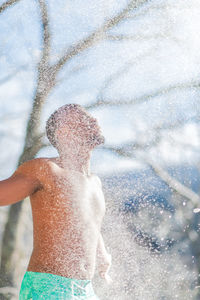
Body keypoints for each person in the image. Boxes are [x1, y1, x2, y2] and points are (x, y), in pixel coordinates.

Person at [0, 104, 112, 299]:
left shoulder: (95, 182)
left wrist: (102, 254)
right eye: (83, 117)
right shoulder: (46, 170)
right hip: (49, 288)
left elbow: (88, 223)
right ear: (64, 132)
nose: (94, 120)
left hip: (85, 290)